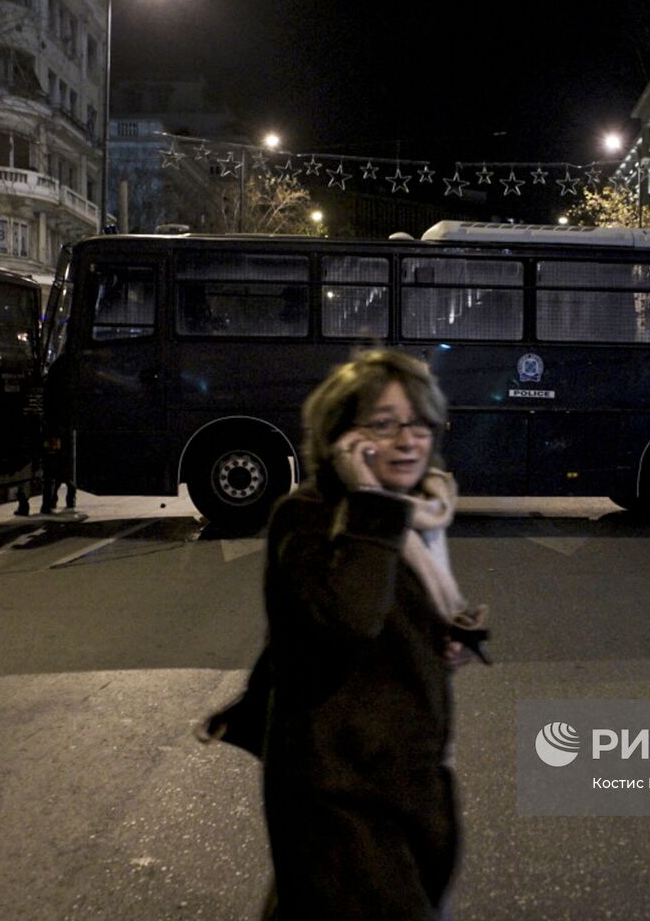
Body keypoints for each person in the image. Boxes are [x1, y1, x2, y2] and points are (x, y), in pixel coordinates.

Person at [199, 349, 488, 921]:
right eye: (384, 423)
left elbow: (394, 615)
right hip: (336, 789)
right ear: (342, 436)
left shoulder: (413, 514)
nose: (409, 440)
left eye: (420, 422)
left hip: (409, 782)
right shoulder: (312, 516)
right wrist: (373, 507)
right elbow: (348, 622)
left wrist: (449, 636)